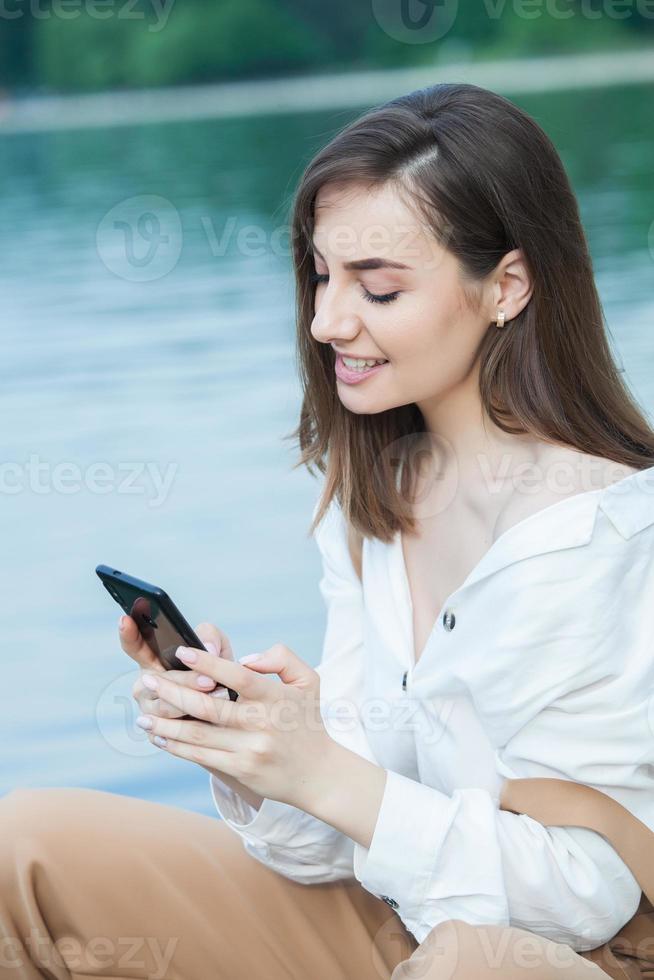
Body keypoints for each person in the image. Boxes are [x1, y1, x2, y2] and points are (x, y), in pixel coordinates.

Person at [2, 81, 654, 980]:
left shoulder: (613, 537)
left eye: (377, 288)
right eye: (320, 274)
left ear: (506, 286)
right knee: (19, 851)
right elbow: (323, 846)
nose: (326, 321)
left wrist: (330, 776)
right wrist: (256, 751)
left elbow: (592, 895)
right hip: (389, 922)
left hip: (569, 957)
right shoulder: (372, 498)